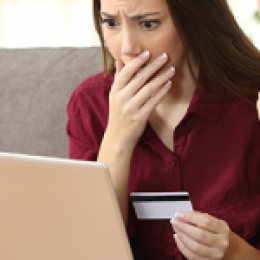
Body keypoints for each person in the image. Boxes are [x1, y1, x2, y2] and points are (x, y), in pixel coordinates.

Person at [66, 0, 260, 259]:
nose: (127, 48)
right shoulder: (89, 105)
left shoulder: (250, 100)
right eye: (111, 23)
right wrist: (117, 139)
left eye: (148, 24)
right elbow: (89, 249)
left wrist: (239, 254)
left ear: (193, 21)